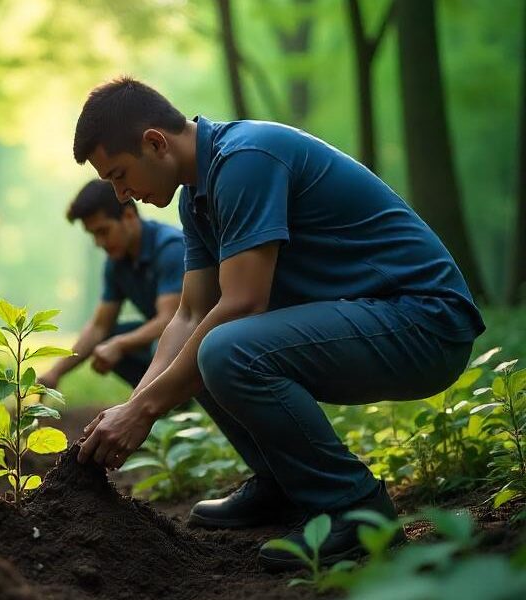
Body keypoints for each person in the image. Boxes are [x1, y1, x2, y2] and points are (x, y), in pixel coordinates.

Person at [71, 77, 484, 571]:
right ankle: (283, 485)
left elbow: (243, 305)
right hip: (373, 319)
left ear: (155, 142)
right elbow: (190, 314)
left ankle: (354, 507)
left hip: (423, 322)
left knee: (225, 349)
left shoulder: (246, 159)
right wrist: (134, 405)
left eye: (119, 176)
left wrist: (145, 410)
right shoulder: (196, 196)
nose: (121, 195)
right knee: (201, 348)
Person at [37, 179, 183, 390]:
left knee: (157, 343)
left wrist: (120, 344)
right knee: (107, 340)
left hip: (200, 336)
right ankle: (164, 402)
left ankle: (163, 399)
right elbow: (99, 327)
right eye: (93, 235)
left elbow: (171, 320)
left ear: (129, 216)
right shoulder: (117, 263)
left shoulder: (170, 248)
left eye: (103, 231)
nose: (99, 243)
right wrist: (55, 373)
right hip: (168, 337)